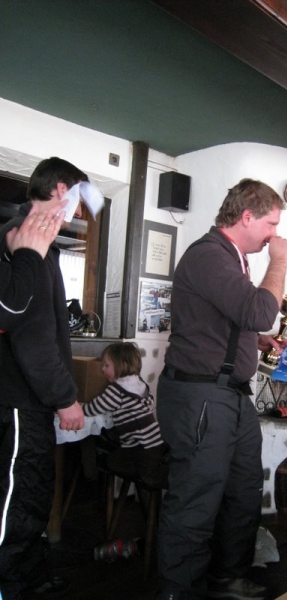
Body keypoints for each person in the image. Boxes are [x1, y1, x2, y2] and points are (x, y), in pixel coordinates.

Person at [156, 178, 287, 600]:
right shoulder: (208, 255)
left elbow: (226, 322)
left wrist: (256, 343)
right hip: (201, 397)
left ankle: (227, 579)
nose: (275, 234)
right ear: (247, 217)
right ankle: (180, 592)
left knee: (243, 492)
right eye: (271, 224)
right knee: (195, 502)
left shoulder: (233, 259)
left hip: (230, 396)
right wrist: (280, 261)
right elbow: (260, 311)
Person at [0, 157, 86, 600]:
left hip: (29, 400)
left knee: (33, 494)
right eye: (79, 197)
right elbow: (32, 337)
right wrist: (65, 397)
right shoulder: (22, 237)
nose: (80, 210)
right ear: (61, 190)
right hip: (19, 400)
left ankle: (28, 576)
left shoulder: (42, 244)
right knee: (18, 499)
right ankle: (12, 586)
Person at [82, 342, 167, 487]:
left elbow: (93, 408)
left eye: (106, 365)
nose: (102, 369)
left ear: (122, 365)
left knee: (111, 460)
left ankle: (152, 474)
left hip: (139, 448)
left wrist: (80, 407)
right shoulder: (140, 383)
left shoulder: (117, 390)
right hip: (157, 443)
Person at [0, 203, 67, 331]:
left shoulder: (30, 235)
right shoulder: (21, 231)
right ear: (61, 191)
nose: (79, 213)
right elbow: (7, 311)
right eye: (80, 203)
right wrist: (28, 255)